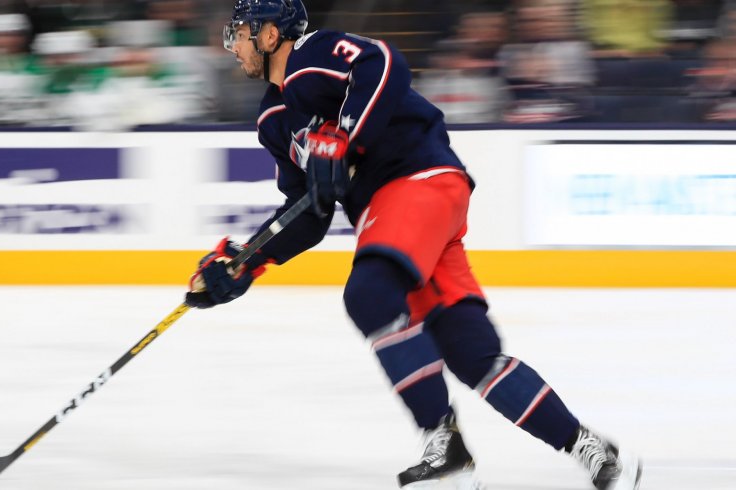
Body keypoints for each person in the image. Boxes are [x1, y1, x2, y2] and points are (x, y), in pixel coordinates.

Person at [185, 1, 643, 488]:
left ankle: (443, 441)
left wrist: (345, 133)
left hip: (415, 180)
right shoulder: (272, 119)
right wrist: (245, 263)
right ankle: (589, 447)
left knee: (369, 295)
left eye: (239, 33)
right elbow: (308, 211)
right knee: (471, 353)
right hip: (409, 217)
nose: (232, 46)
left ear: (271, 34)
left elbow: (383, 62)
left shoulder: (312, 55)